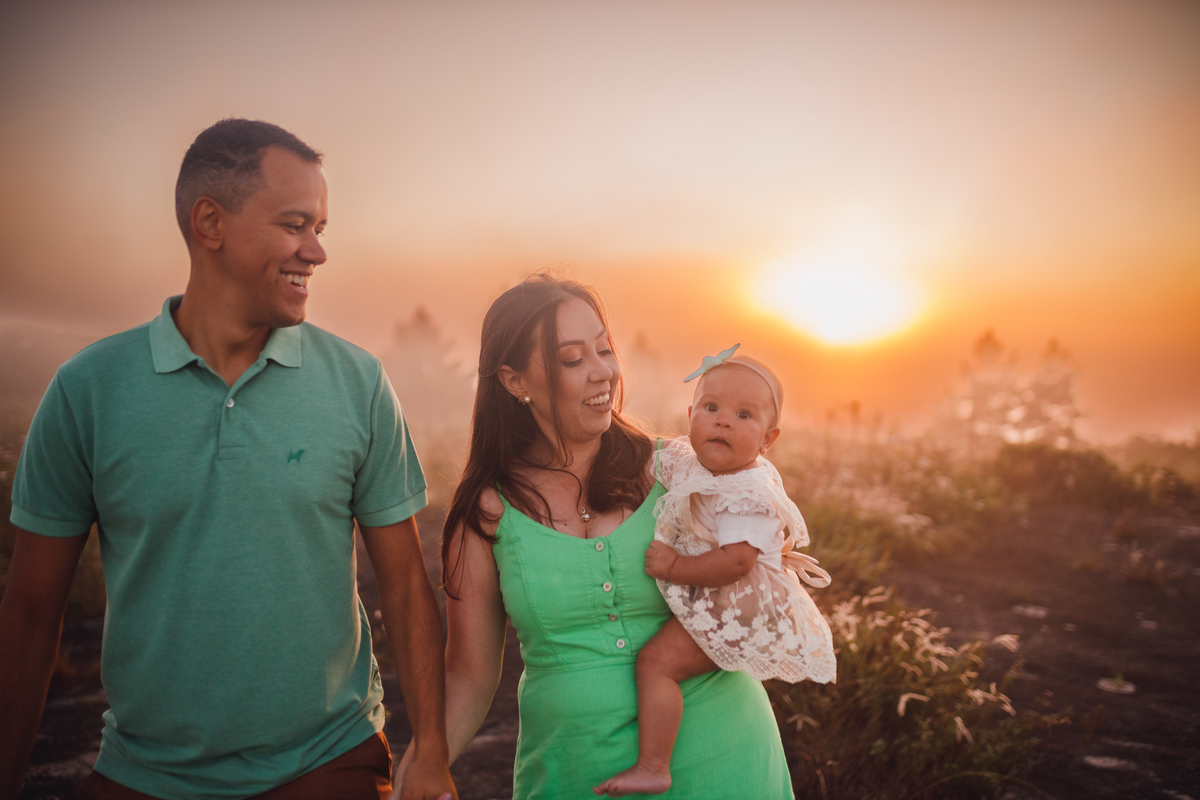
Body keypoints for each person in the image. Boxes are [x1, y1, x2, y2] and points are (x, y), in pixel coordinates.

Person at [0, 119, 456, 800]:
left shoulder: (357, 383)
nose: (317, 252)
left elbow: (406, 587)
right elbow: (33, 612)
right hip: (143, 775)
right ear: (209, 222)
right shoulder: (88, 391)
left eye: (322, 228)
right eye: (295, 224)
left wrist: (433, 753)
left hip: (330, 765)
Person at [394, 275, 793, 799]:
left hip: (727, 761)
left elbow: (764, 567)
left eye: (605, 349)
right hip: (576, 775)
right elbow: (470, 672)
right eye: (573, 359)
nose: (603, 371)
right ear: (516, 382)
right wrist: (425, 761)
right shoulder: (485, 515)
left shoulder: (679, 470)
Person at [595, 346, 836, 797]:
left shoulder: (750, 490)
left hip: (740, 602)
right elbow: (648, 455)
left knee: (656, 663)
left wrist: (675, 565)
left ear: (769, 438)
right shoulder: (695, 461)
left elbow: (737, 562)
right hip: (726, 592)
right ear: (691, 415)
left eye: (744, 415)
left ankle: (653, 765)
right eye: (711, 408)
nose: (723, 420)